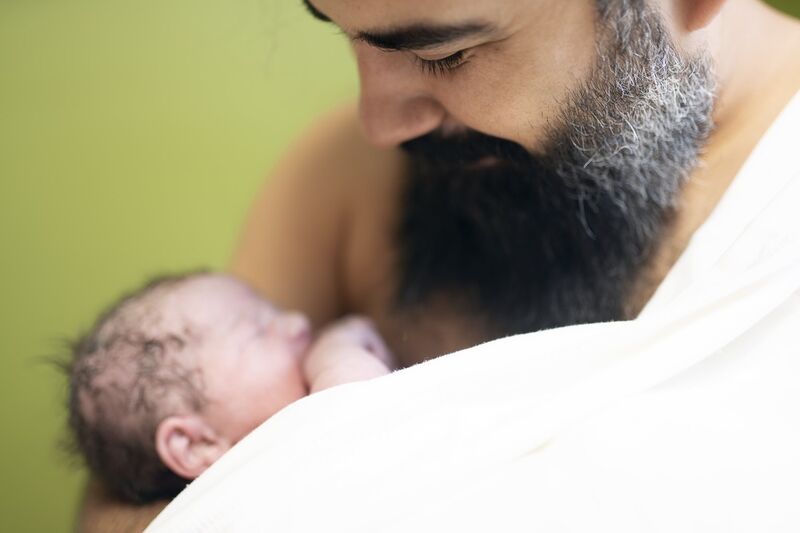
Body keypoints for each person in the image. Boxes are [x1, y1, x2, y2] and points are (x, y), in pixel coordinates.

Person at [79, 0, 800, 530]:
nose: (378, 123)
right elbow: (143, 482)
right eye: (346, 34)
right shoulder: (344, 180)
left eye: (445, 55)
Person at [66, 272, 393, 504]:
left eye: (276, 310)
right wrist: (339, 352)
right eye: (259, 331)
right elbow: (362, 415)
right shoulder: (257, 490)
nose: (298, 322)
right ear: (196, 444)